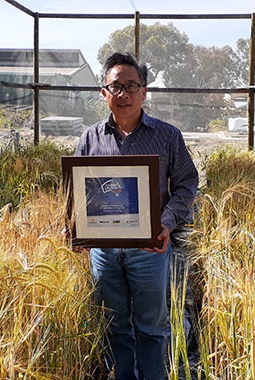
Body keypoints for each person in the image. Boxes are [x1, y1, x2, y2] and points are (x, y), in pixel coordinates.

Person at [75, 52, 198, 380]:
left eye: (131, 86)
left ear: (144, 91)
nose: (123, 94)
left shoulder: (167, 136)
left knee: (151, 327)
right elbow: (75, 192)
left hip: (149, 250)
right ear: (104, 93)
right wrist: (74, 226)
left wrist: (166, 222)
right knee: (116, 326)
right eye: (115, 87)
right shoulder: (90, 138)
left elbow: (187, 182)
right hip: (104, 252)